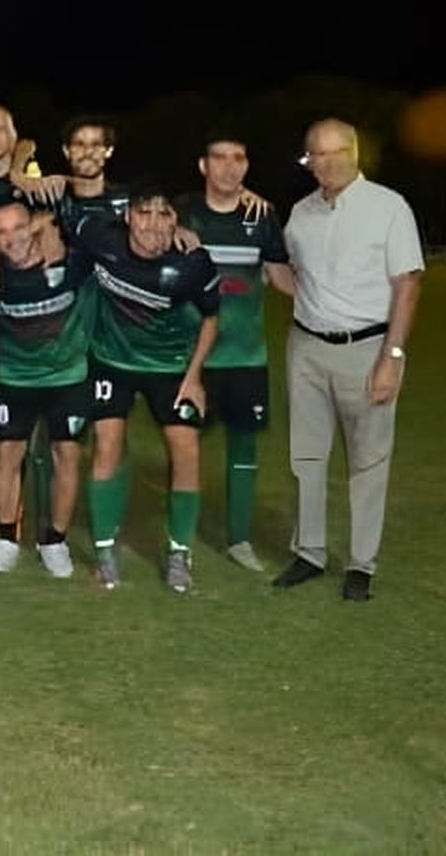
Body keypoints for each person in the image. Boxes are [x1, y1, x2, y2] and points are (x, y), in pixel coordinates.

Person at [273, 118, 423, 602]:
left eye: (333, 152)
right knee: (307, 456)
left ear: (354, 152)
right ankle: (310, 551)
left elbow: (408, 284)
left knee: (368, 460)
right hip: (308, 349)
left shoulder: (388, 207)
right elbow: (293, 276)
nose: (324, 163)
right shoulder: (300, 213)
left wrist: (392, 356)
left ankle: (361, 563)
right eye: (314, 155)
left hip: (368, 349)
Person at [74, 188, 221, 593]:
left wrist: (193, 378)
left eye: (164, 213)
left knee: (186, 449)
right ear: (128, 217)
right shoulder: (101, 239)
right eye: (145, 213)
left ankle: (179, 552)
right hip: (111, 362)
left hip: (170, 367)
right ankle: (105, 552)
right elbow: (59, 215)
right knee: (107, 444)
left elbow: (211, 318)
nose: (153, 223)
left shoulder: (192, 262)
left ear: (176, 221)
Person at [178, 133, 295, 572]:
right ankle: (182, 539)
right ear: (203, 166)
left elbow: (281, 277)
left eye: (239, 159)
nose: (230, 167)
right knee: (186, 448)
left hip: (247, 357)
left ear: (246, 166)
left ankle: (239, 540)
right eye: (220, 158)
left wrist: (332, 306)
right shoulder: (182, 212)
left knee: (243, 448)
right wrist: (173, 229)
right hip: (194, 361)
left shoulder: (263, 217)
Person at [0, 201, 94, 578]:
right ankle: (7, 538)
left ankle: (55, 541)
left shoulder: (73, 263)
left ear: (36, 226)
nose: (12, 238)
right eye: (1, 232)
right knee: (8, 454)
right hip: (15, 379)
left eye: (19, 227)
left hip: (67, 377)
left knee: (66, 455)